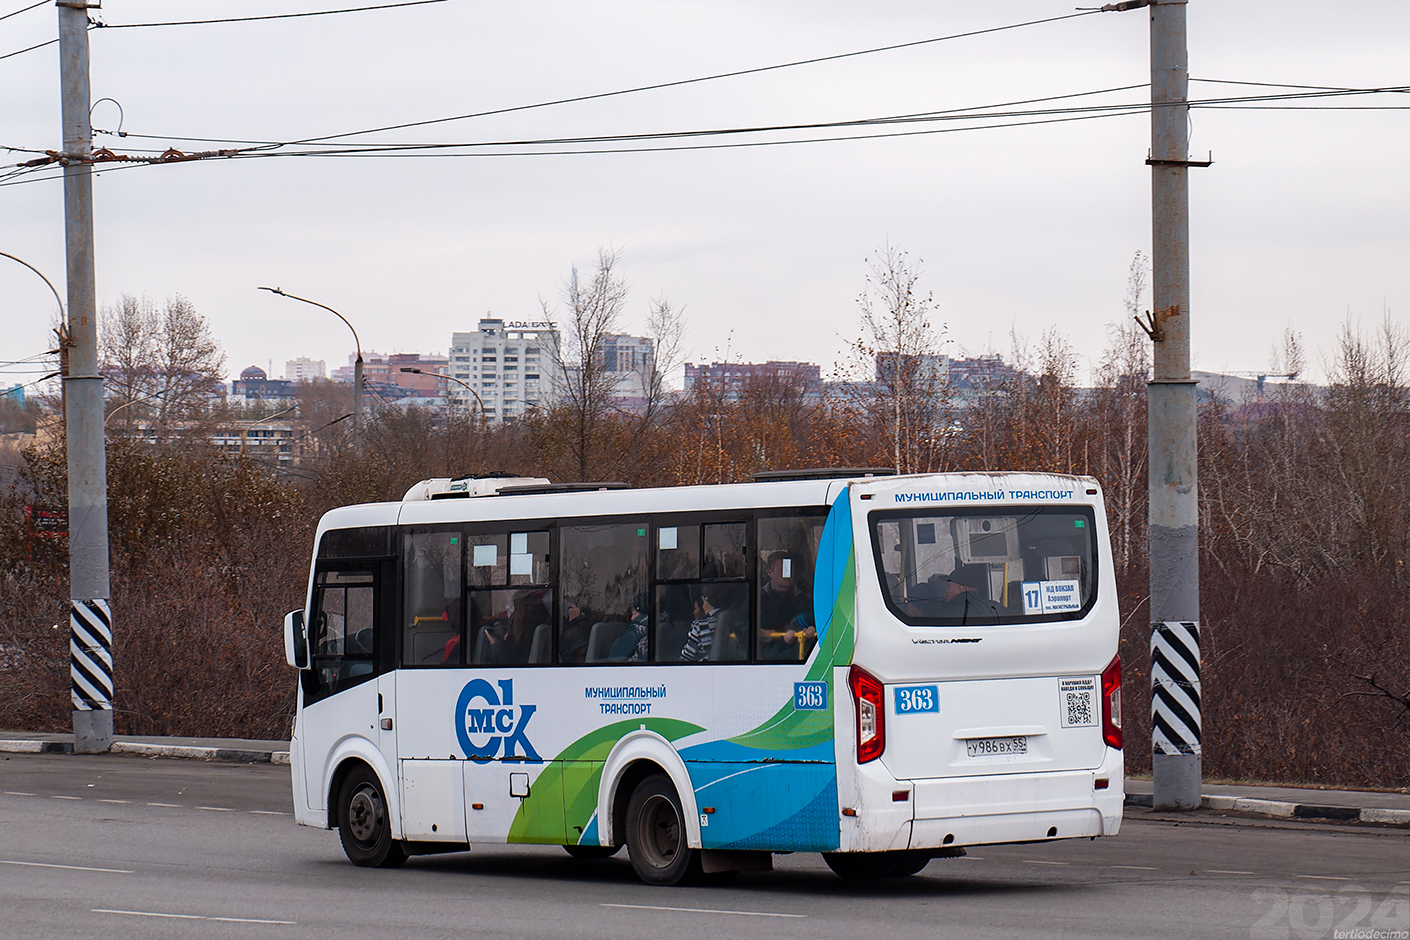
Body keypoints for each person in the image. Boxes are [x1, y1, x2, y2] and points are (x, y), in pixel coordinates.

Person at [759, 551, 816, 660]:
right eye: (782, 570)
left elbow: (812, 621)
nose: (787, 575)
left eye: (790, 569)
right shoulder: (758, 598)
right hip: (765, 658)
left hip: (798, 657)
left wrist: (811, 630)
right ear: (769, 572)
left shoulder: (804, 599)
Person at [608, 593, 651, 662]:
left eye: (634, 614)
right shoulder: (664, 626)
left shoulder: (638, 630)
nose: (632, 618)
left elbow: (614, 657)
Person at [559, 597, 591, 664]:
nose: (568, 612)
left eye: (570, 608)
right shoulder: (589, 625)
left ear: (578, 611)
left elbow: (562, 656)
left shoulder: (572, 634)